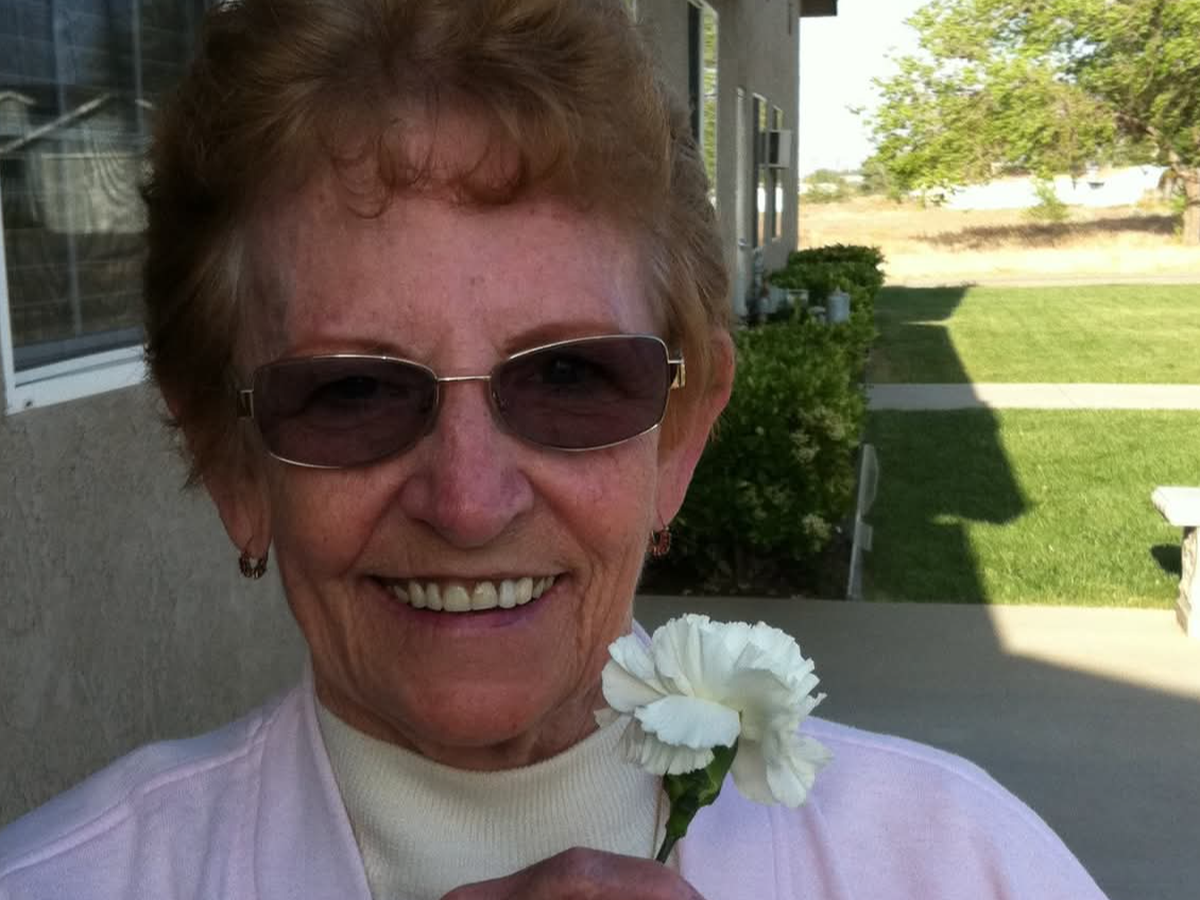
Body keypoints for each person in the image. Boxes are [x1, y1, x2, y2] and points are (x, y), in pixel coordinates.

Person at [0, 1, 1108, 898]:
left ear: (679, 435)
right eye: (351, 392)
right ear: (232, 462)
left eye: (570, 378)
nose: (469, 502)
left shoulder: (958, 865)